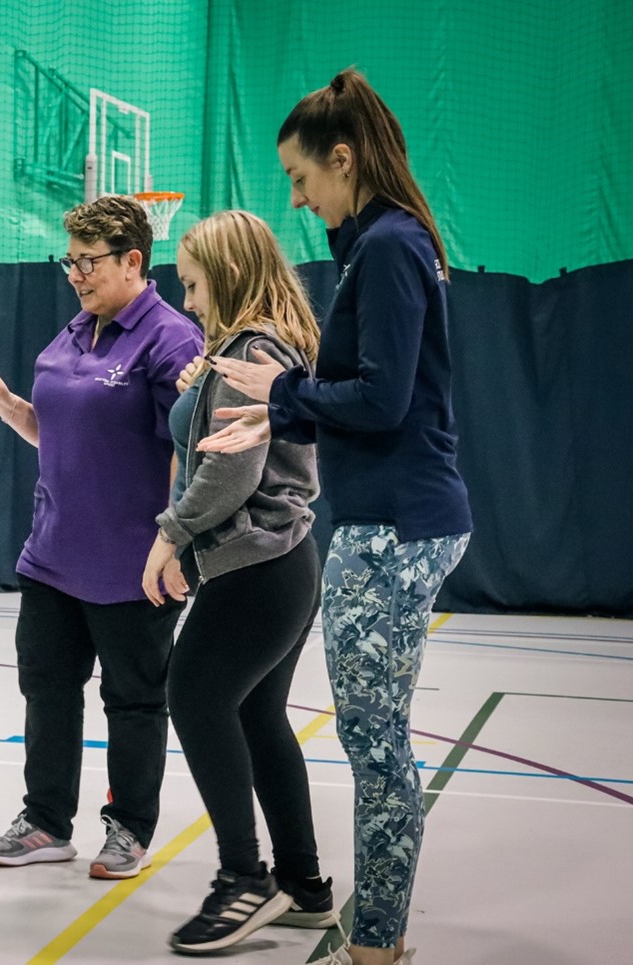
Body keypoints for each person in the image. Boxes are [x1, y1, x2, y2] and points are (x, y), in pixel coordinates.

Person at [200, 68, 472, 965]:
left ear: (343, 159)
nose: (295, 193)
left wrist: (283, 390)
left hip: (397, 523)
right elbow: (355, 393)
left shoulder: (390, 245)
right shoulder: (378, 243)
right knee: (371, 736)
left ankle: (379, 944)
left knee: (375, 743)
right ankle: (377, 934)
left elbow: (383, 400)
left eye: (300, 176)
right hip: (386, 517)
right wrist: (277, 408)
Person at [0, 195, 203, 879]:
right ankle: (46, 820)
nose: (75, 273)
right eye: (69, 259)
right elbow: (59, 434)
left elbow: (189, 455)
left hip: (134, 565)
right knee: (46, 688)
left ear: (133, 260)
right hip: (51, 557)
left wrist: (174, 543)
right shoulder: (76, 331)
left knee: (132, 699)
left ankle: (129, 827)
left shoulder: (170, 339)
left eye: (89, 261)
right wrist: (9, 404)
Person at [141, 211, 332, 954]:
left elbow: (232, 468)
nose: (188, 301)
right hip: (284, 565)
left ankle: (243, 878)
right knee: (257, 716)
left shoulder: (253, 348)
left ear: (225, 274)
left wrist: (169, 536)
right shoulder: (251, 347)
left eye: (192, 284)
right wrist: (200, 383)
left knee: (192, 693)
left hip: (258, 566)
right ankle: (304, 885)